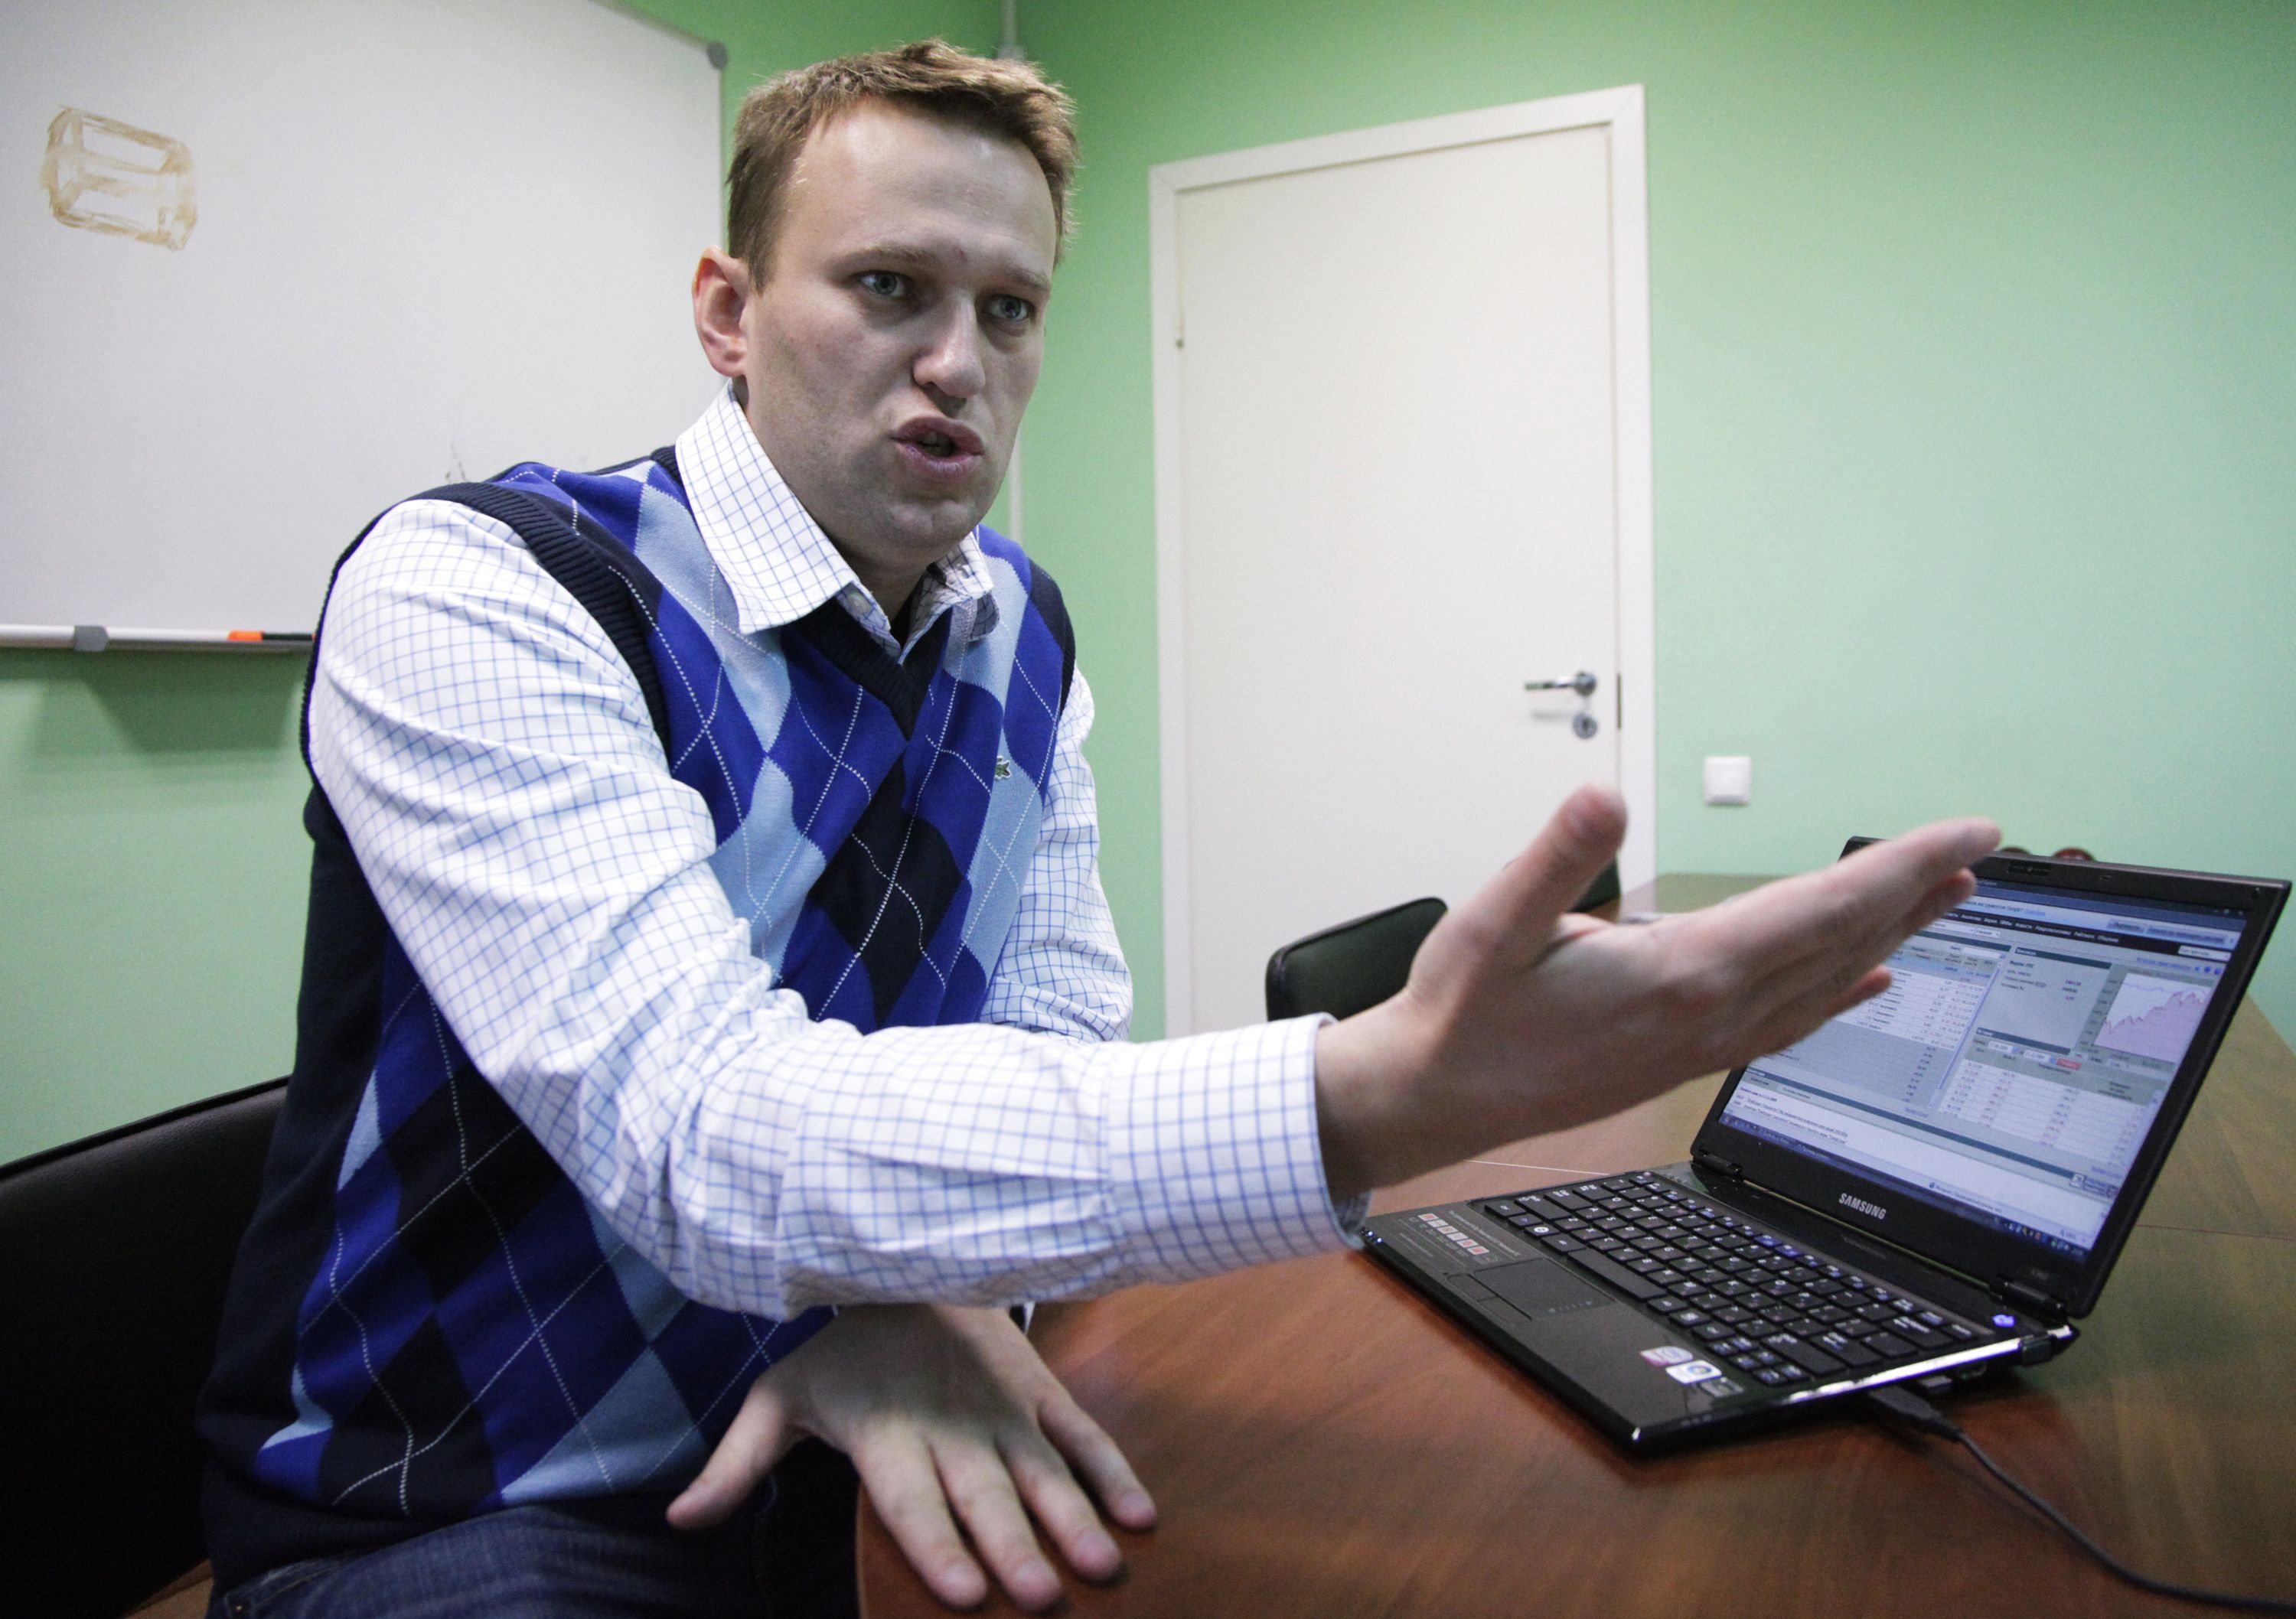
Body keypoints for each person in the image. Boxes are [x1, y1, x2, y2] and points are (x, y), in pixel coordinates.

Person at [197, 37, 1998, 1619]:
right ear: (730, 311)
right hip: (476, 1488)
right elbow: (707, 1130)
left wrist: (890, 1302)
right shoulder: (488, 587)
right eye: (890, 287)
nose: (957, 363)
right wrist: (1379, 1087)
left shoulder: (1021, 628)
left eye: (1011, 308)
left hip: (891, 1380)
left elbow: (1052, 1023)